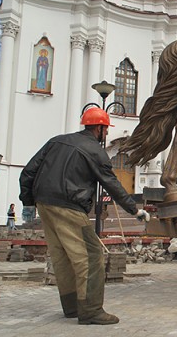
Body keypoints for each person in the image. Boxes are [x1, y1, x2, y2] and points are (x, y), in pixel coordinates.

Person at [19, 107, 150, 325]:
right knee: (90, 256)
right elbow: (111, 184)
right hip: (69, 206)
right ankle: (90, 311)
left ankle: (72, 307)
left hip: (44, 204)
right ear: (99, 128)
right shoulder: (95, 151)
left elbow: (28, 172)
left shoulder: (56, 141)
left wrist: (28, 202)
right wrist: (134, 210)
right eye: (105, 129)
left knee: (63, 256)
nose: (106, 134)